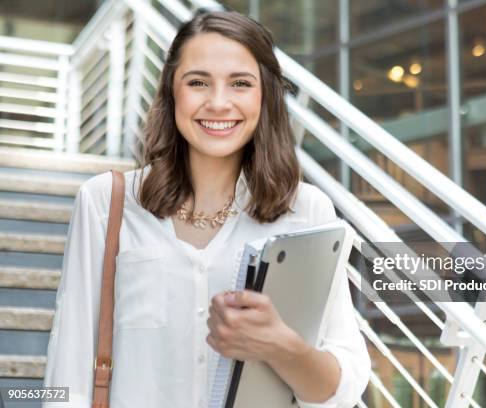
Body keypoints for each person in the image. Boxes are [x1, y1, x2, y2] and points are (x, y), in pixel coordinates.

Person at [43, 10, 370, 408]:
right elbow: (67, 374)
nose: (218, 102)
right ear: (171, 91)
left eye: (240, 84)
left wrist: (281, 346)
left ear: (264, 95)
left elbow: (342, 388)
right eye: (198, 82)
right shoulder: (105, 203)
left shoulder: (306, 211)